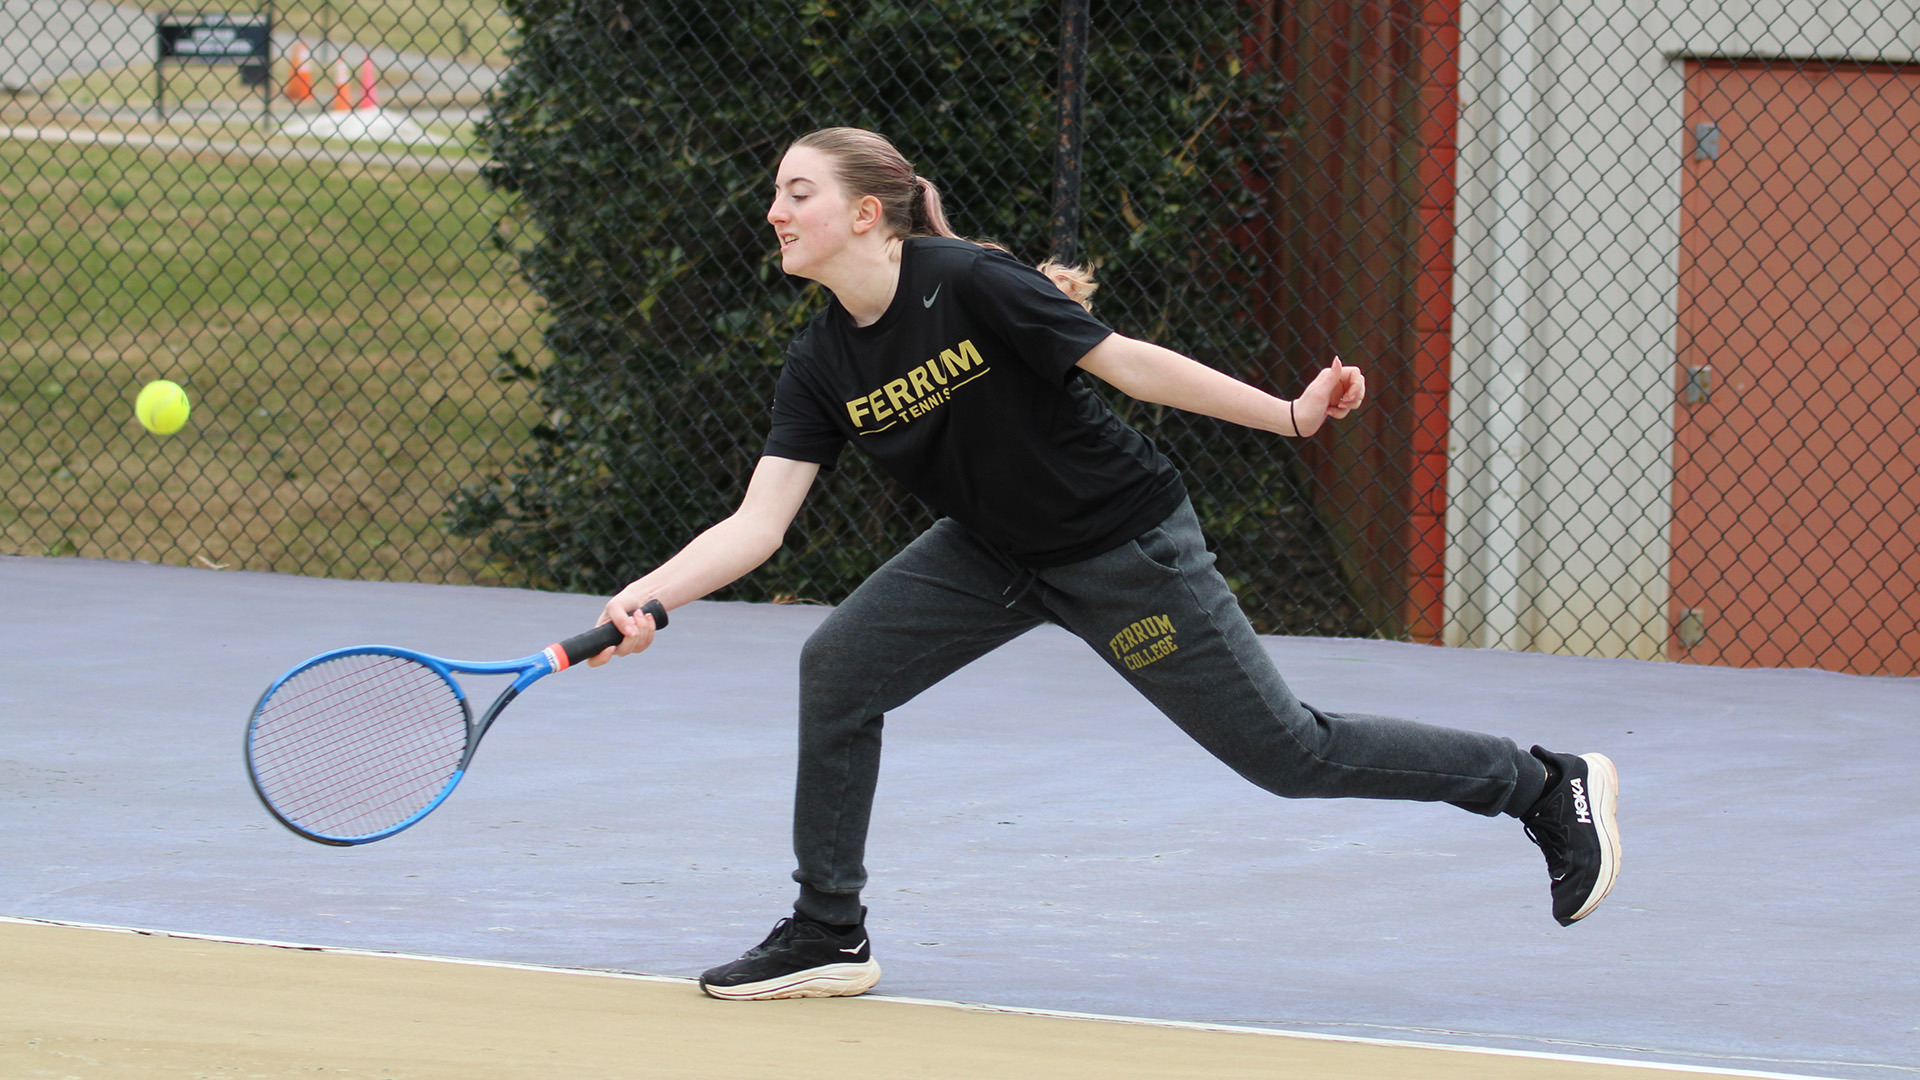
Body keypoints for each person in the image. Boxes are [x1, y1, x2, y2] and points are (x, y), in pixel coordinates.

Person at [589, 127, 1621, 1001]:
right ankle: (829, 931)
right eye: (776, 194)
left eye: (798, 192)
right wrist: (645, 600)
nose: (774, 210)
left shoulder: (967, 281)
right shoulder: (822, 360)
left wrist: (1293, 416)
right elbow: (758, 523)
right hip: (991, 552)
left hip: (1119, 545)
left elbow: (1127, 363)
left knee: (1289, 755)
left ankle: (1538, 784)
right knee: (839, 670)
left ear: (868, 213)